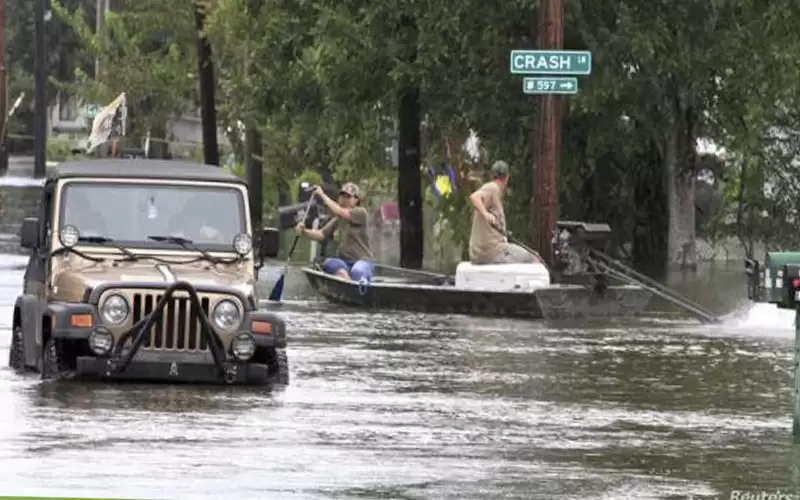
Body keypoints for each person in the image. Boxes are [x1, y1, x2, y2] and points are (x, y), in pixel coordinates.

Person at [295, 182, 375, 281]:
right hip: (345, 262)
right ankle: (347, 282)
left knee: (357, 271)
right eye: (342, 195)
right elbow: (320, 235)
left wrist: (322, 195)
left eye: (348, 196)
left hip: (362, 261)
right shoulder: (338, 220)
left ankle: (359, 283)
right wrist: (303, 231)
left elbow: (341, 212)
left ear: (356, 200)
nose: (344, 199)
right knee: (330, 264)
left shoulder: (361, 213)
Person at [468, 160, 541, 265]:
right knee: (533, 258)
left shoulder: (494, 191)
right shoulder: (493, 188)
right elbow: (475, 197)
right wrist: (486, 214)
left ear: (492, 175)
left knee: (524, 254)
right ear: (507, 178)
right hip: (493, 251)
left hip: (483, 252)